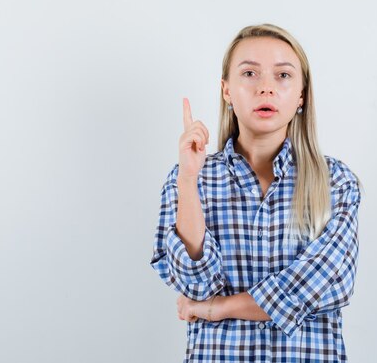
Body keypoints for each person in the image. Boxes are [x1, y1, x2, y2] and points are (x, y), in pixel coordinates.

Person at [149, 23, 363, 362]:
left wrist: (214, 309)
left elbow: (316, 285)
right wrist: (189, 181)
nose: (266, 88)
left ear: (302, 94)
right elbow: (194, 285)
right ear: (227, 90)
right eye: (250, 73)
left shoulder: (336, 182)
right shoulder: (190, 179)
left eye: (283, 76)